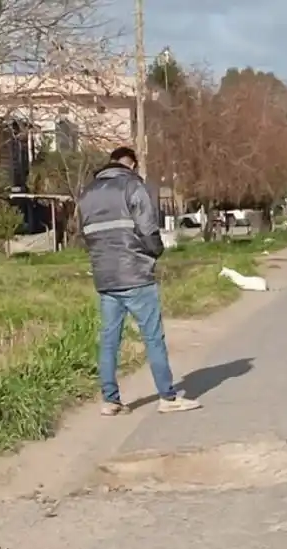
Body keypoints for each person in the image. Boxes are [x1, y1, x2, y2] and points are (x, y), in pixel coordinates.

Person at [78, 147, 201, 416]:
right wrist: (156, 251)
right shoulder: (133, 186)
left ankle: (110, 400)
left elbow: (84, 235)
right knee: (153, 337)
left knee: (110, 339)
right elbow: (147, 229)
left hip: (105, 277)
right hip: (136, 275)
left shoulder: (86, 193)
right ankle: (167, 398)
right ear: (131, 164)